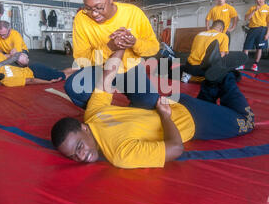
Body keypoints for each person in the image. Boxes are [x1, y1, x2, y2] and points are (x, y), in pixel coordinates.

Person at [51, 46, 254, 169]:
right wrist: (119, 47)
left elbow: (176, 149)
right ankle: (213, 74)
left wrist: (165, 117)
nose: (80, 156)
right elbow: (108, 74)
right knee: (210, 103)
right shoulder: (93, 113)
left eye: (79, 147)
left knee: (247, 121)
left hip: (193, 120)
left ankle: (225, 75)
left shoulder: (120, 154)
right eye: (72, 156)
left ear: (84, 127)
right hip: (179, 103)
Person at [65, 0, 160, 110]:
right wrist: (109, 47)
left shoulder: (133, 13)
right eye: (88, 8)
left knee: (149, 103)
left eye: (99, 7)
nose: (94, 14)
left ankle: (131, 107)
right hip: (99, 68)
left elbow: (154, 47)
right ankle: (97, 111)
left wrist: (134, 43)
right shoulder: (81, 19)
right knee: (75, 89)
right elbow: (81, 59)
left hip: (130, 68)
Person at [0, 52, 73, 87]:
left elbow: (31, 80)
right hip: (34, 67)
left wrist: (48, 82)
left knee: (64, 76)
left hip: (38, 74)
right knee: (59, 72)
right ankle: (80, 69)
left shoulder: (7, 82)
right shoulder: (0, 67)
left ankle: (82, 72)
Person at [237, 0, 269, 72]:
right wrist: (254, 11)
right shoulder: (252, 8)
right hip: (252, 29)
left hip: (262, 30)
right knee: (246, 48)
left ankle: (255, 65)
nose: (258, 1)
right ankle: (242, 64)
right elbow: (247, 18)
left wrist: (268, 34)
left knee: (259, 48)